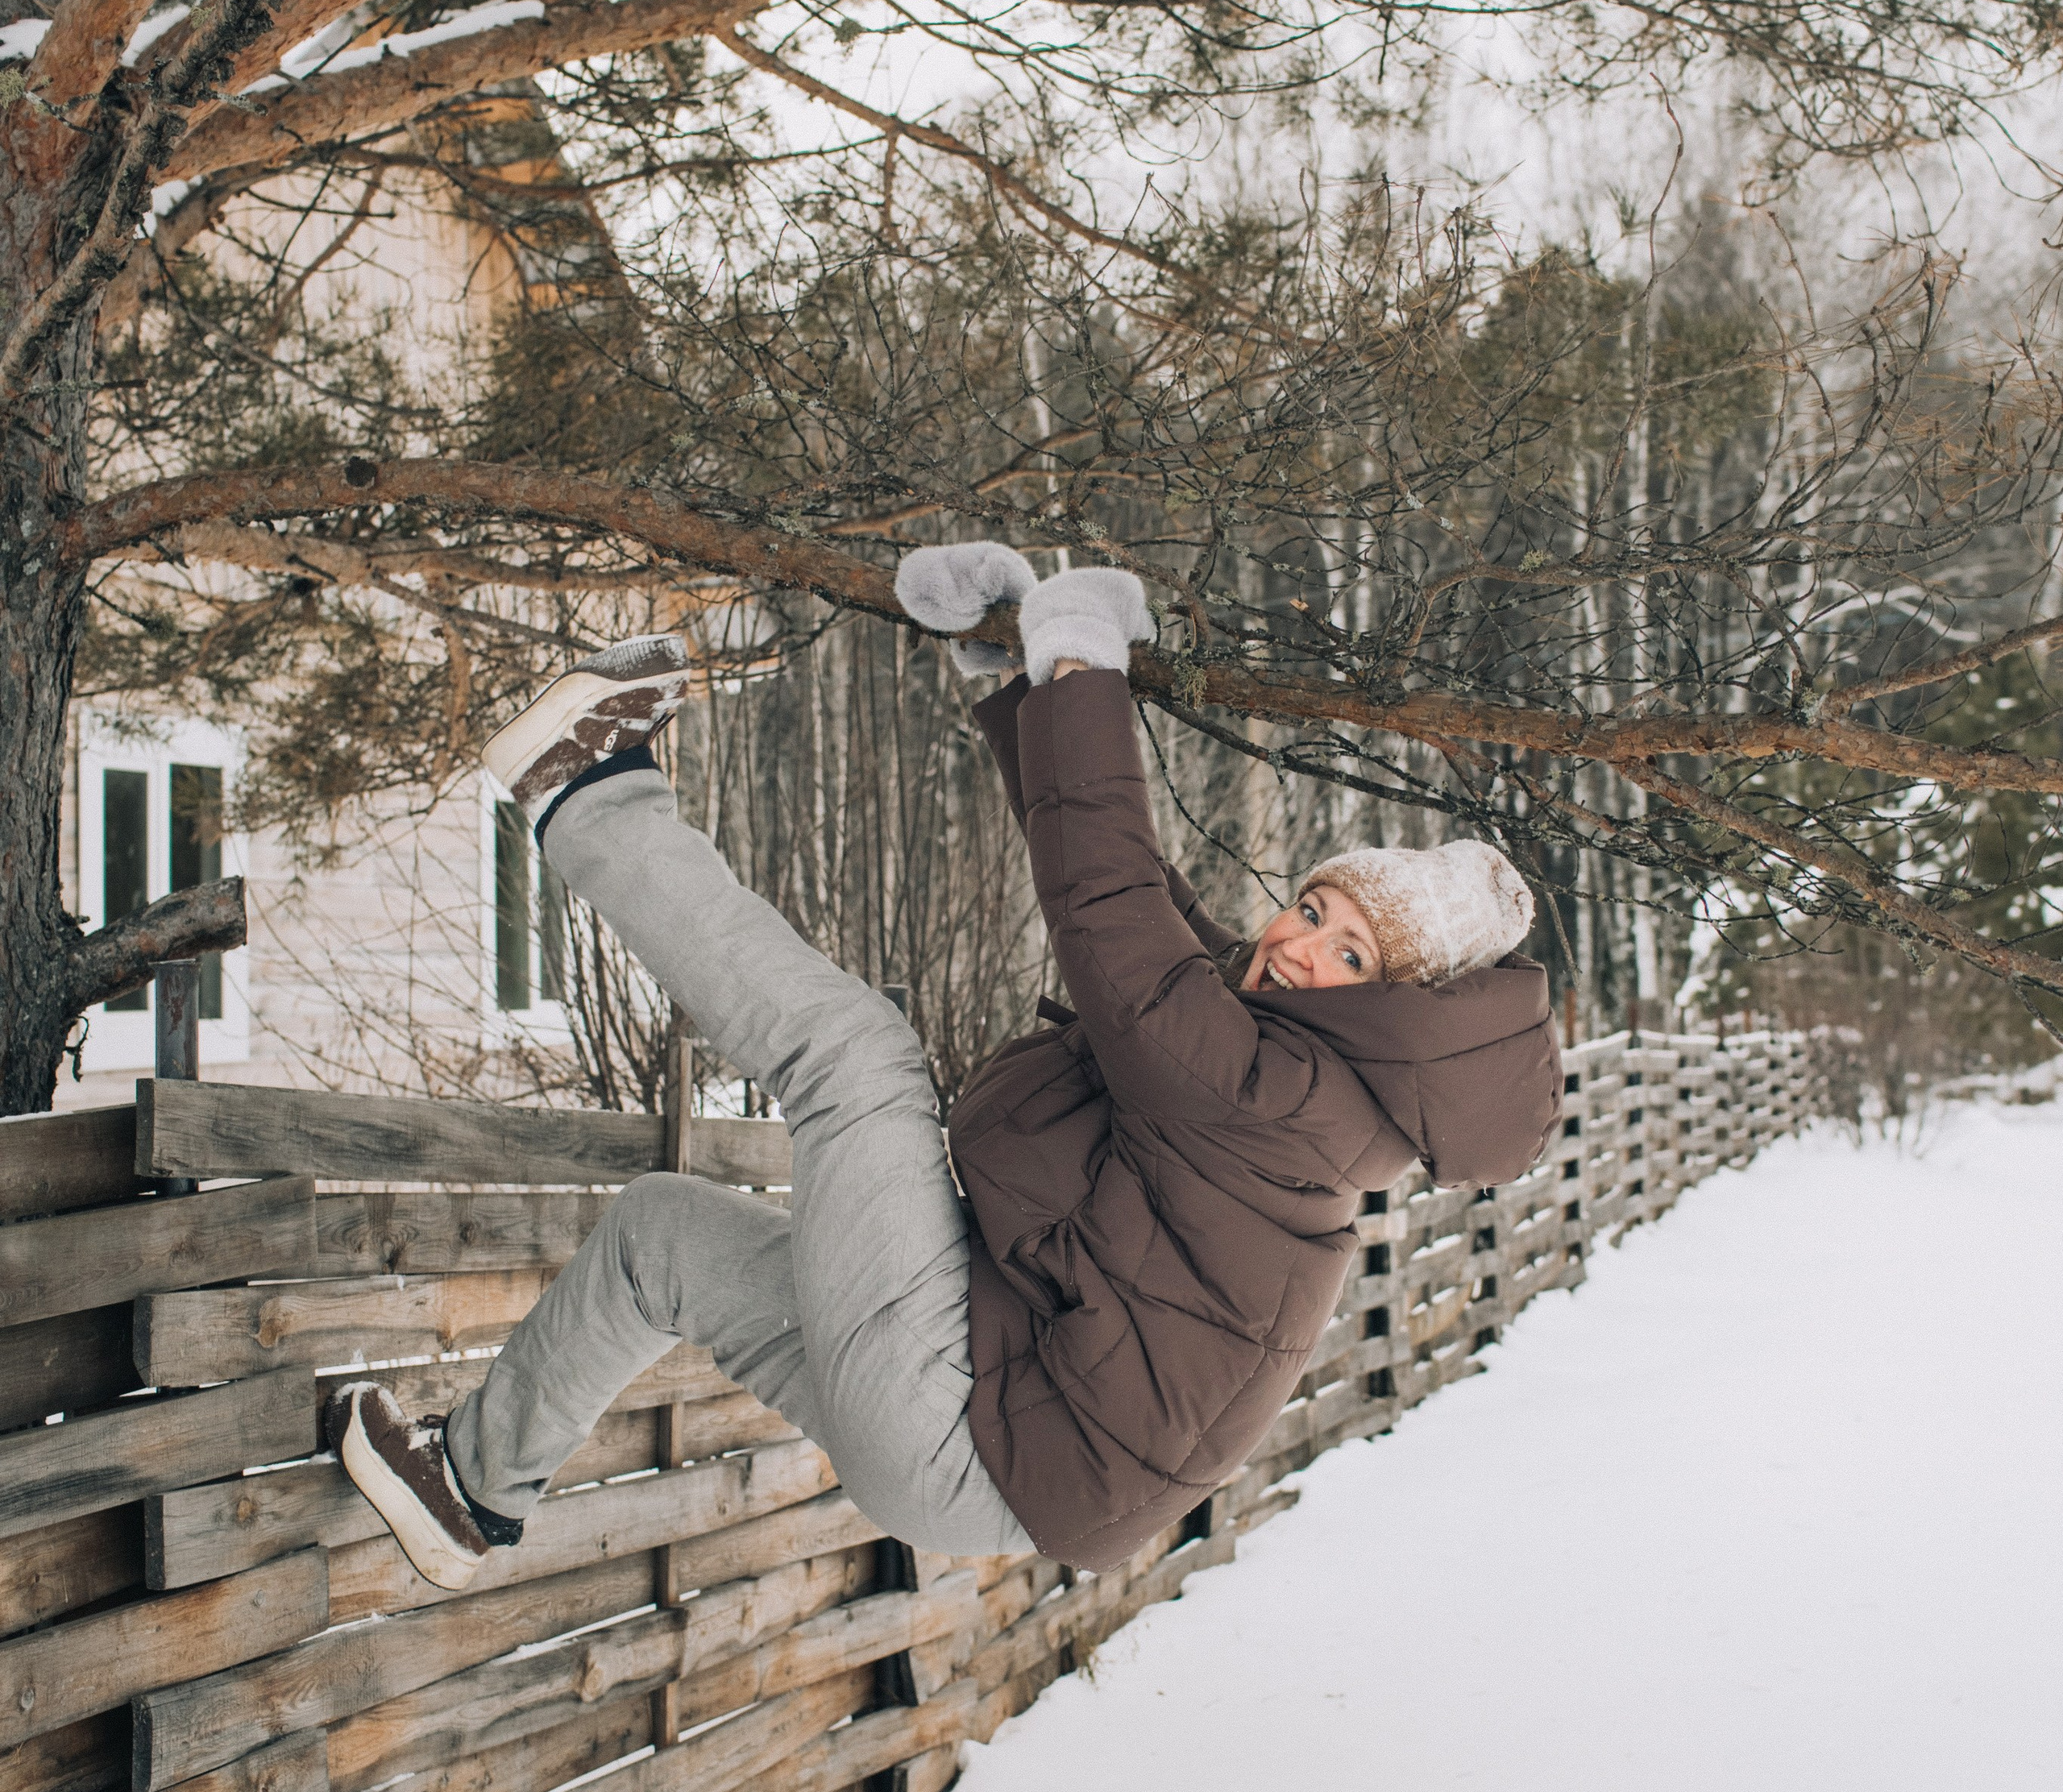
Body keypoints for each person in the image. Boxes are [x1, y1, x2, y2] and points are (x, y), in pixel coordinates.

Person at [330, 547, 1563, 1591]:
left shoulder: (1283, 1105)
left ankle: (584, 793)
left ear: (1393, 1012)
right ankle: (469, 1493)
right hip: (988, 1422)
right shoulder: (1283, 1058)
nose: (1297, 945)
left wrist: (1085, 670)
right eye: (1311, 905)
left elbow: (1115, 916)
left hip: (976, 1432)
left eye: (1350, 951)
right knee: (662, 1238)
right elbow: (1136, 899)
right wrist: (1012, 679)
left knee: (857, 1057)